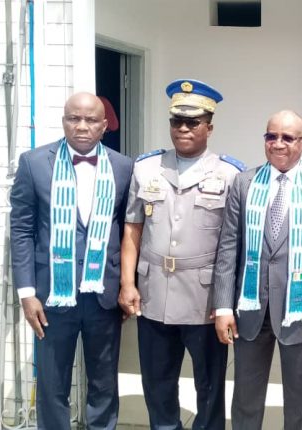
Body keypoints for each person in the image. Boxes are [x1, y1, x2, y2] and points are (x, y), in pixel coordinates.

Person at [118, 79, 244, 430]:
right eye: (177, 121)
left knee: (210, 385)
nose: (184, 128)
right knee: (157, 381)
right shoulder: (146, 168)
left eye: (193, 122)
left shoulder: (230, 174)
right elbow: (132, 229)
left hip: (204, 298)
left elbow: (236, 245)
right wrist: (127, 283)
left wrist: (227, 302)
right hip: (154, 293)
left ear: (209, 127)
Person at [213, 110, 302, 430]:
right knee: (245, 398)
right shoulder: (244, 183)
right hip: (250, 308)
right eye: (271, 136)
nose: (278, 143)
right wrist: (222, 307)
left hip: (300, 313)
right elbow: (229, 247)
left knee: (300, 403)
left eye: (287, 137)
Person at [10, 92, 133, 429]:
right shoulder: (34, 163)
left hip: (103, 295)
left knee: (104, 383)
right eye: (73, 118)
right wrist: (26, 292)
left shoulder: (124, 167)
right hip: (52, 294)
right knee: (52, 384)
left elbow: (129, 231)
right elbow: (21, 229)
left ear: (104, 126)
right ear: (63, 121)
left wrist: (127, 284)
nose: (81, 126)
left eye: (90, 120)